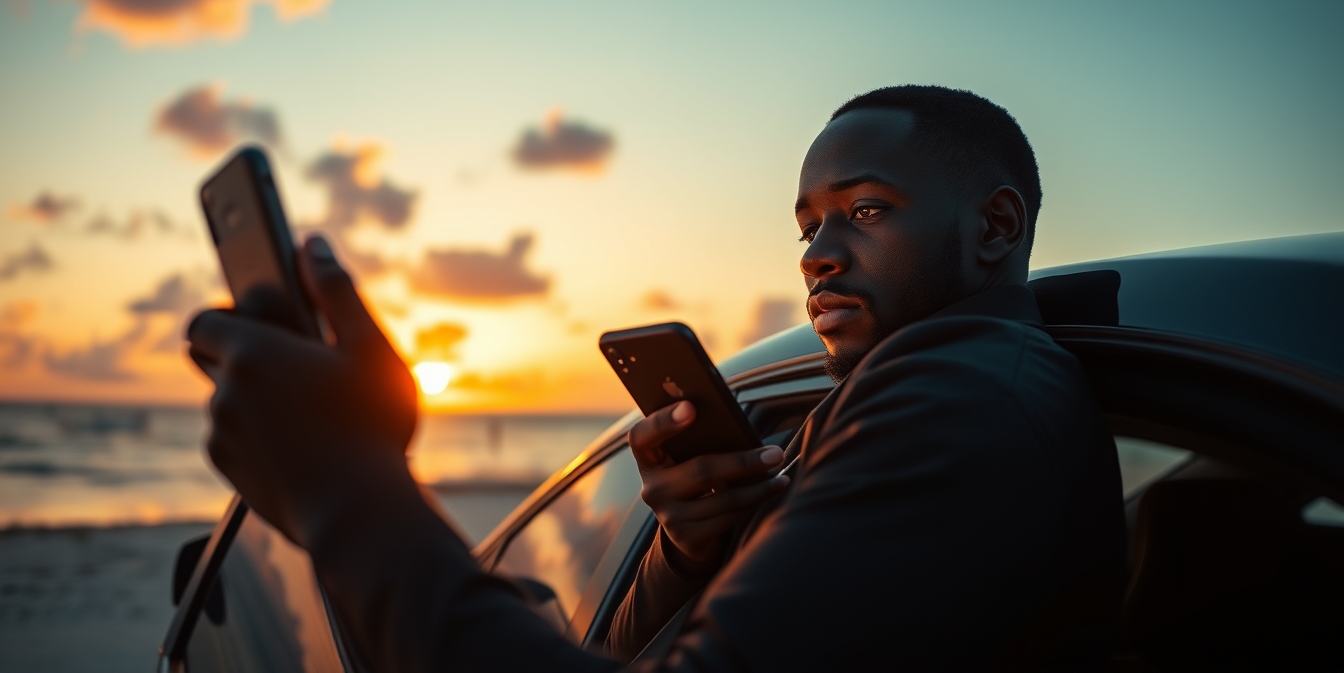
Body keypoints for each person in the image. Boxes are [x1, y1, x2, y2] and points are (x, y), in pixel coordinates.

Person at [187, 85, 1126, 671]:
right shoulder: (866, 412)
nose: (818, 256)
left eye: (865, 211)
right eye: (808, 227)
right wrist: (687, 544)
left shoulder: (962, 394)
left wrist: (347, 496)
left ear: (996, 228)